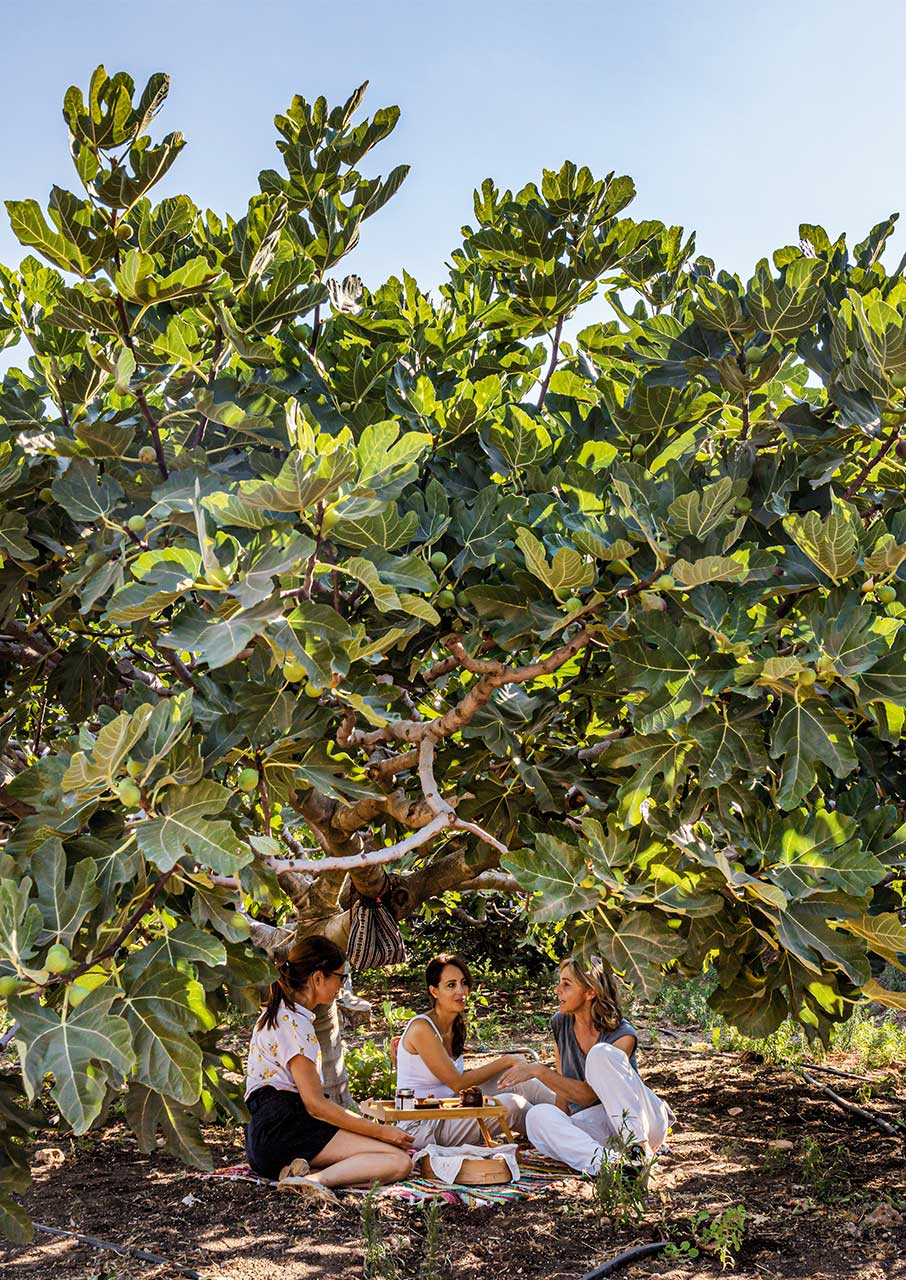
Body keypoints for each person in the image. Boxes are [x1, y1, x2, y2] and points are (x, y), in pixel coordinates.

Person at [244, 935, 412, 1202]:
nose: (341, 986)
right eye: (340, 977)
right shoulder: (295, 1024)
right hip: (284, 1128)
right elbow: (315, 1105)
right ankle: (310, 1181)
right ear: (318, 977)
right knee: (398, 1161)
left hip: (262, 1138)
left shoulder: (276, 1014)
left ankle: (302, 1172)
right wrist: (381, 1131)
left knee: (372, 1154)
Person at [496, 956, 674, 1175]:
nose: (557, 990)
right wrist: (559, 1129)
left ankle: (638, 1151)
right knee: (538, 1116)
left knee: (599, 1054)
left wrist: (537, 1070)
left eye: (566, 984)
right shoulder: (560, 1023)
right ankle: (614, 1168)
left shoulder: (622, 1034)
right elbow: (563, 1090)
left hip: (643, 1123)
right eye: (560, 982)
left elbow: (587, 1096)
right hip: (599, 1128)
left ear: (590, 992)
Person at [393, 953, 552, 1148]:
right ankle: (561, 1134)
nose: (461, 991)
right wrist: (506, 1060)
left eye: (463, 983)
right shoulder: (422, 1029)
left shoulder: (454, 1025)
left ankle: (575, 1116)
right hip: (423, 1126)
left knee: (516, 1080)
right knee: (510, 1105)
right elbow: (458, 1083)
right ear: (434, 991)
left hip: (450, 1107)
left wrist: (508, 1067)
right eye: (451, 985)